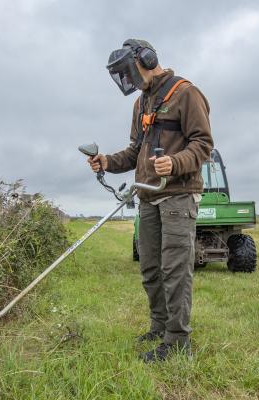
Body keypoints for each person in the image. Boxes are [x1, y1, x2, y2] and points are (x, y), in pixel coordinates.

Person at [87, 39, 213, 363]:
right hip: (148, 197)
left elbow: (203, 145)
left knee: (175, 271)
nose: (127, 81)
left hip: (177, 196)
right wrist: (106, 162)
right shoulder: (141, 104)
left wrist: (175, 163)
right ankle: (159, 326)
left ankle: (177, 341)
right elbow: (134, 151)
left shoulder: (186, 93)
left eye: (129, 72)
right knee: (150, 269)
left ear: (147, 58)